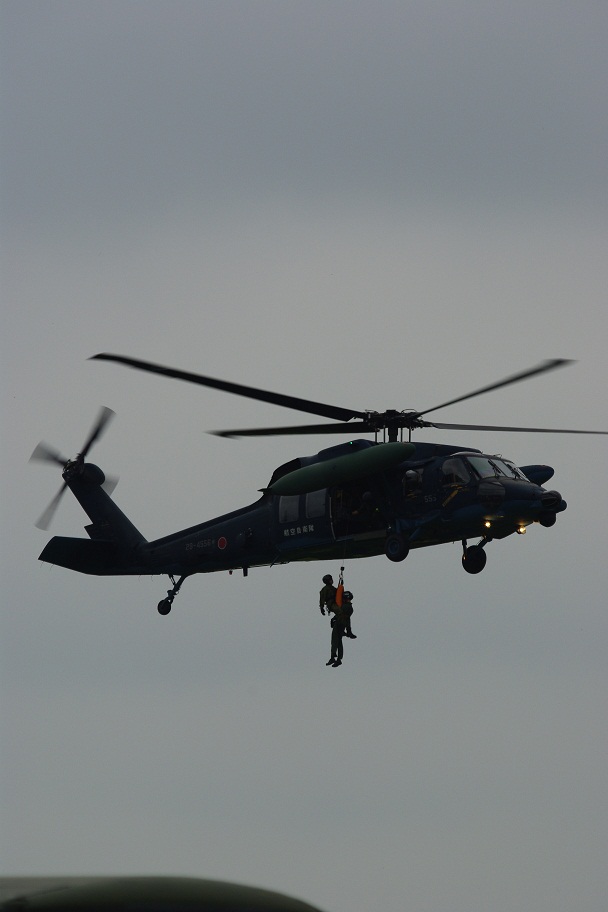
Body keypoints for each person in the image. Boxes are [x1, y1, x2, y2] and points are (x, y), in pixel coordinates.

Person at [326, 599, 346, 667]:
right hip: (339, 623)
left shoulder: (346, 607)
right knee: (337, 641)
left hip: (340, 624)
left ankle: (335, 657)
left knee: (336, 640)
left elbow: (342, 614)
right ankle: (335, 658)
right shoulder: (344, 606)